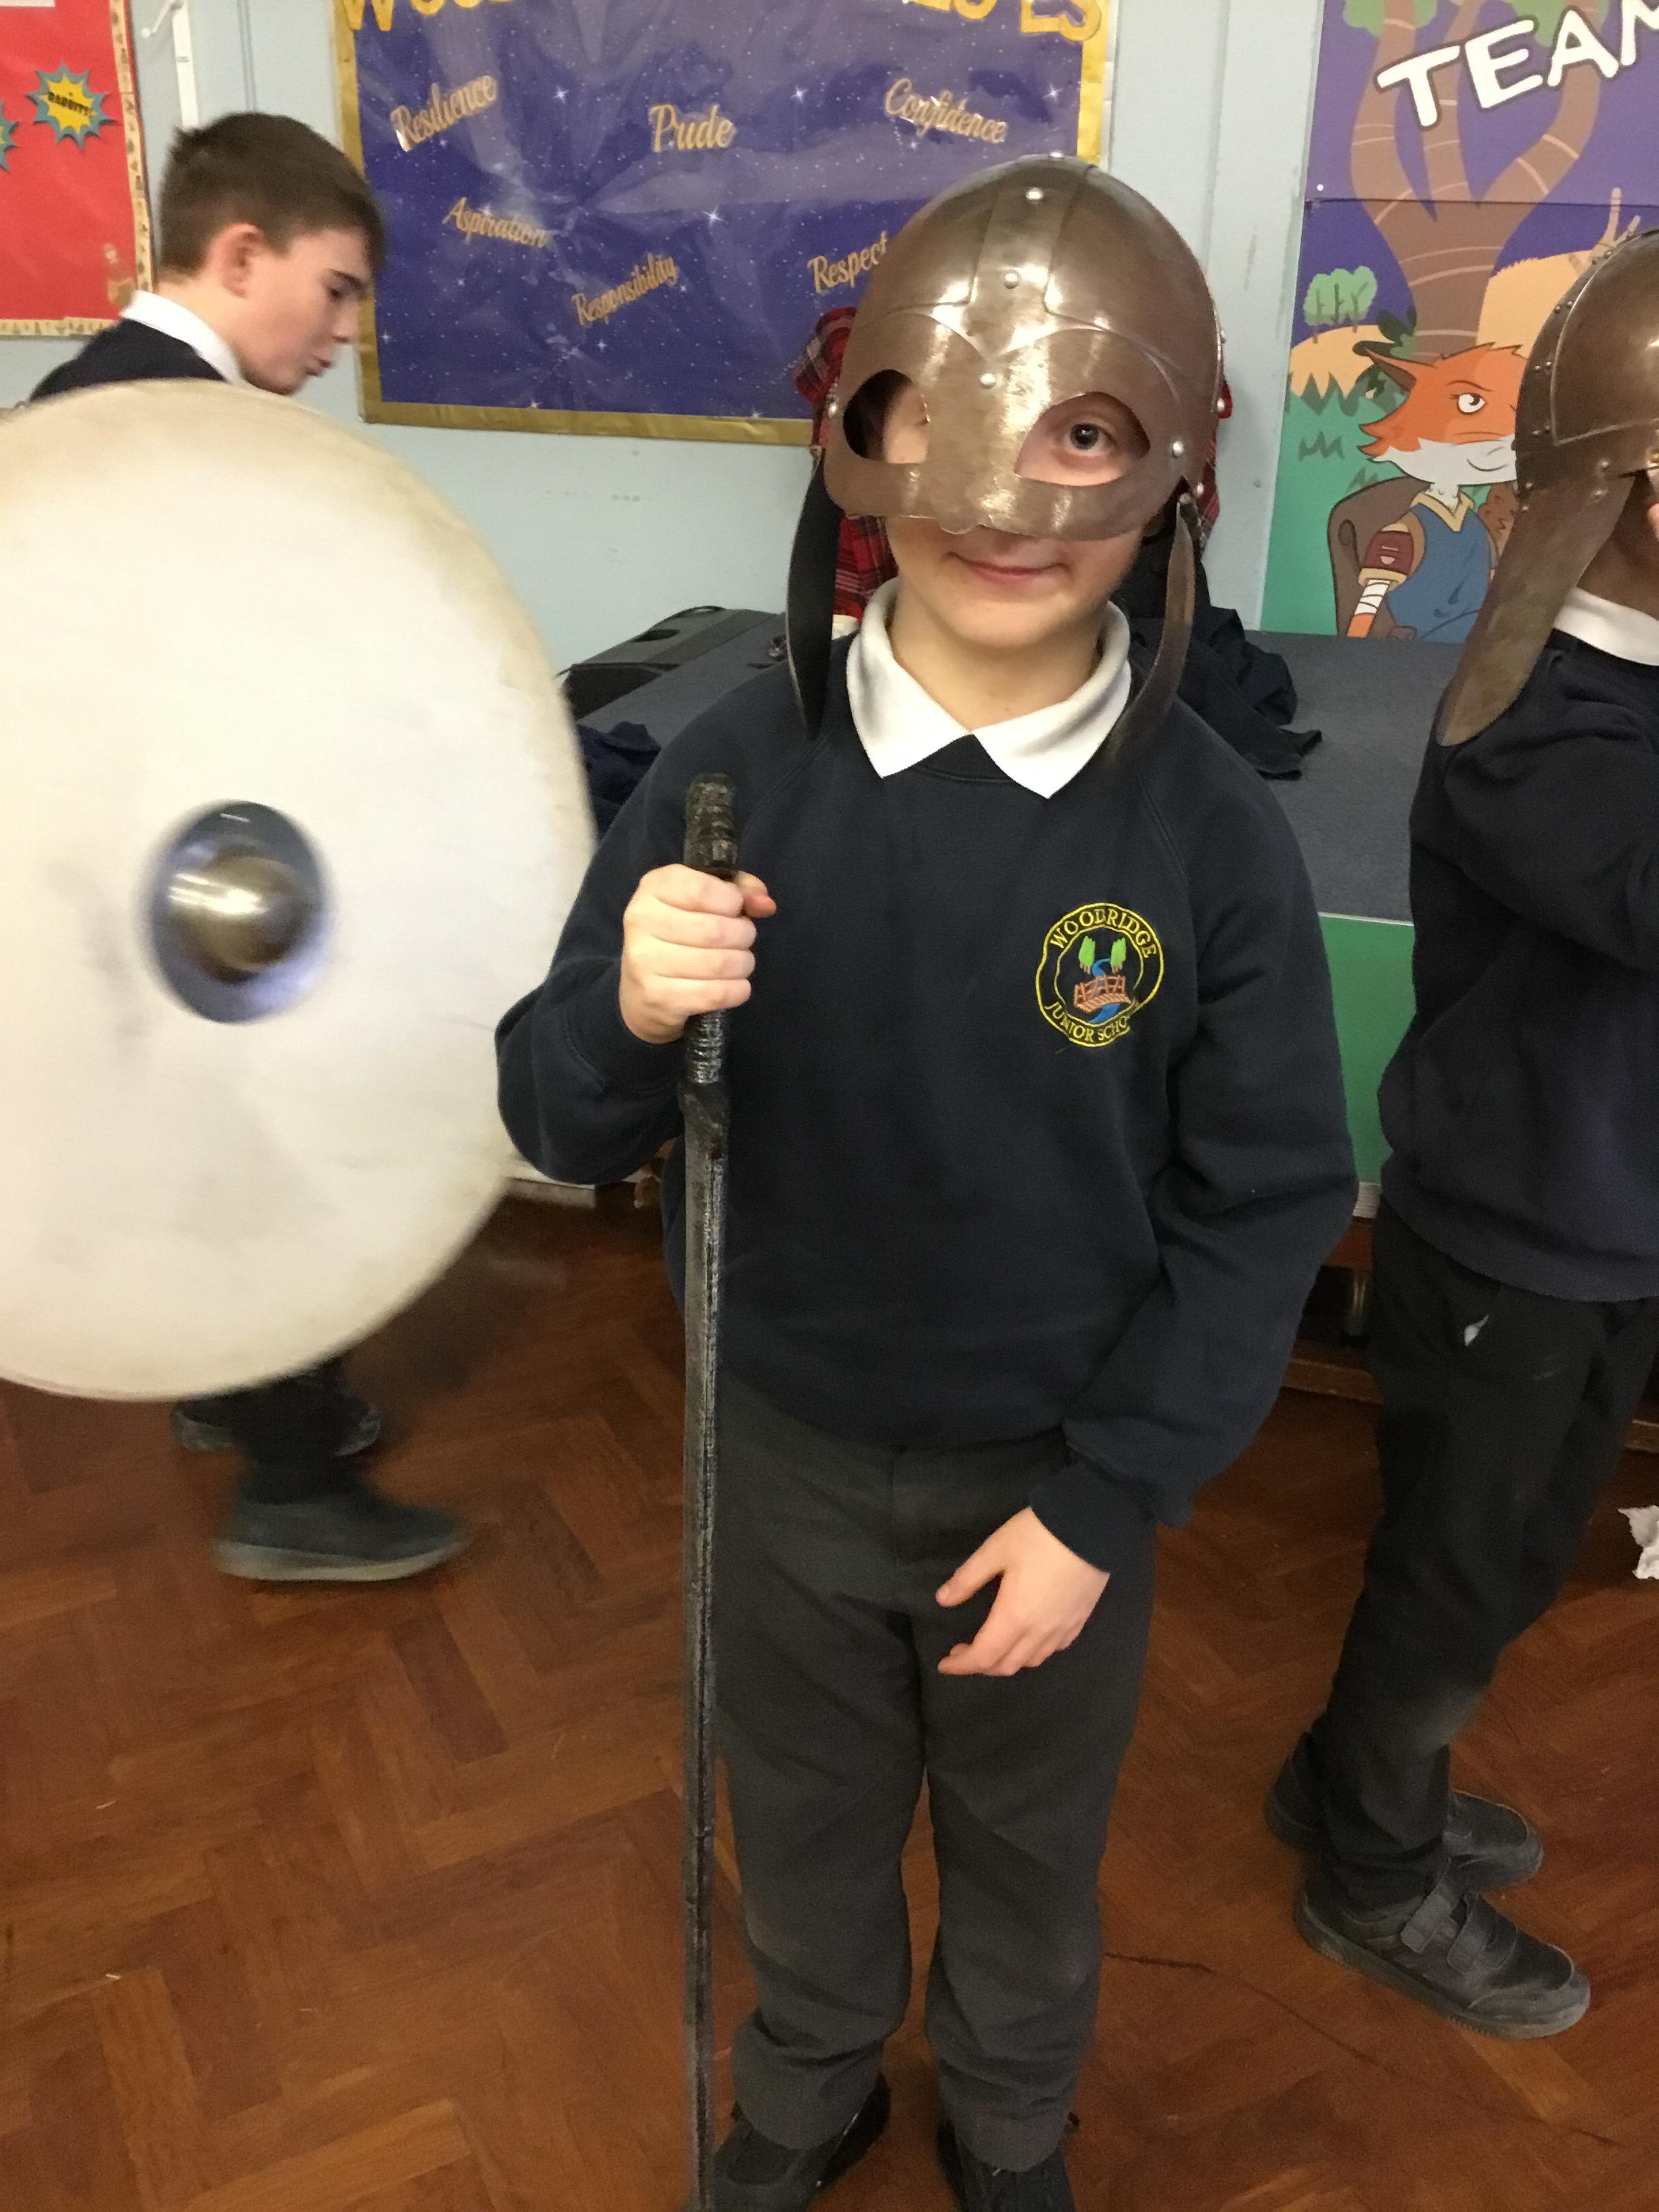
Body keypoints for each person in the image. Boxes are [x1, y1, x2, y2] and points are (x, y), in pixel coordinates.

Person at [499, 159, 1353, 2209]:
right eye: (949, 431)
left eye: (1085, 439)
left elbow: (1266, 1203)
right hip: (782, 1446)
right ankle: (810, 2087)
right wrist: (629, 1008)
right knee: (800, 1818)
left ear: (1170, 472)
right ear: (862, 438)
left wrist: (1109, 1498)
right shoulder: (732, 772)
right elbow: (555, 1117)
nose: (1012, 504)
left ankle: (1011, 2121)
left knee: (1029, 1852)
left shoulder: (1204, 833)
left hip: (1055, 1474)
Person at [1268, 228, 1659, 2039]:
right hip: (1514, 1241)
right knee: (1460, 1577)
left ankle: (1349, 1774)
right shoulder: (1533, 719)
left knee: (1500, 1559)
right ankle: (1371, 1870)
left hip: (1606, 1221)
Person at [33, 114, 466, 1585]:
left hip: (125, 879)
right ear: (238, 254)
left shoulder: (82, 397)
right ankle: (293, 1485)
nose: (345, 332)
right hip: (173, 889)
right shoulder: (175, 424)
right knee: (269, 1151)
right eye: (334, 291)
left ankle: (230, 1385)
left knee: (199, 1149)